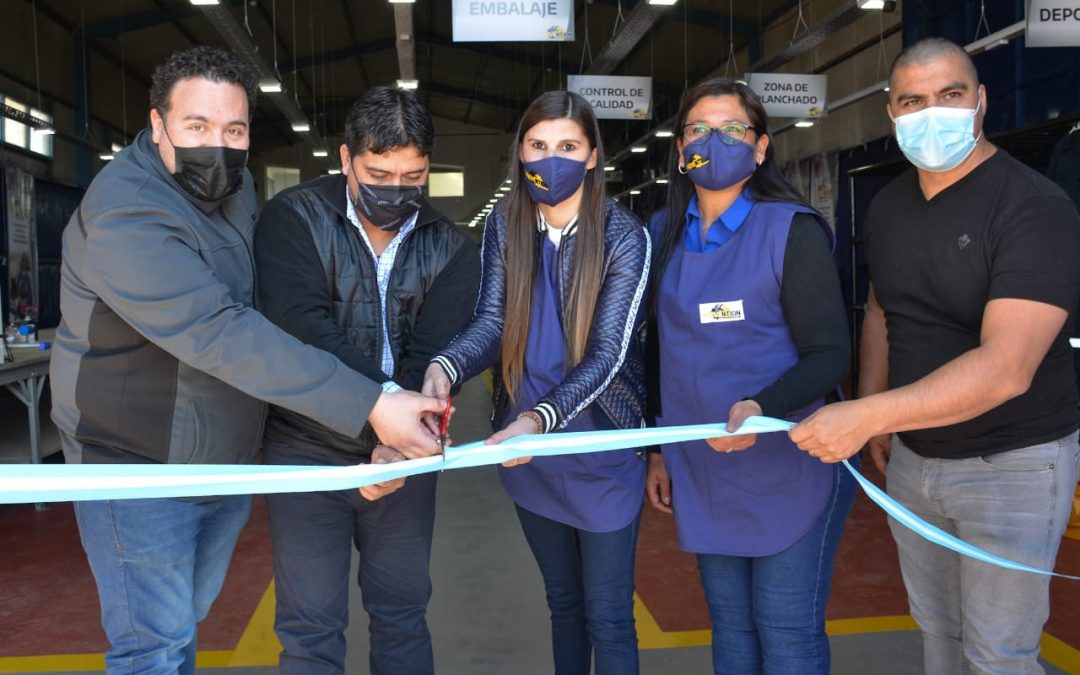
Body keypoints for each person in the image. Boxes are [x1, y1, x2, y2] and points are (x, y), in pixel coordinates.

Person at [49, 47, 444, 675]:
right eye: (197, 126)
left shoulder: (231, 189)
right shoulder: (126, 212)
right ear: (158, 125)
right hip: (137, 463)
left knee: (181, 627)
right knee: (150, 644)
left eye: (233, 130)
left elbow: (273, 304)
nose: (219, 144)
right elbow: (220, 331)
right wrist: (371, 403)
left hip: (220, 456)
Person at [789, 37, 1080, 674]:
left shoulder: (1033, 208)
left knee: (998, 651)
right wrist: (875, 411)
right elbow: (885, 311)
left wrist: (870, 417)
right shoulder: (890, 205)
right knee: (940, 634)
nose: (932, 112)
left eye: (950, 95)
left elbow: (1006, 367)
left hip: (1012, 464)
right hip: (916, 462)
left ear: (980, 101)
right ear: (892, 114)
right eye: (913, 100)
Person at [252, 86, 481, 675]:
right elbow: (304, 330)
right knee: (310, 627)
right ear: (345, 158)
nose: (396, 190)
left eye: (414, 176)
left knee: (402, 614)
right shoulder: (292, 218)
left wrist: (397, 443)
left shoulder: (452, 248)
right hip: (306, 452)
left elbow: (429, 353)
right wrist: (381, 408)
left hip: (404, 456)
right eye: (379, 173)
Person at [423, 90, 650, 675]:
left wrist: (535, 419)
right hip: (529, 457)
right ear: (520, 153)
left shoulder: (626, 236)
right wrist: (445, 367)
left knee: (609, 614)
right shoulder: (507, 223)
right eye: (539, 146)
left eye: (568, 147)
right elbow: (494, 321)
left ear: (594, 156)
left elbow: (607, 355)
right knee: (564, 603)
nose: (552, 160)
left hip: (598, 449)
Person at [644, 77, 853, 674]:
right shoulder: (663, 235)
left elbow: (830, 354)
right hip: (704, 464)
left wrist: (762, 407)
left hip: (791, 462)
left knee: (786, 632)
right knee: (731, 628)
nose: (715, 140)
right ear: (681, 148)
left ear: (761, 148)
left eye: (734, 129)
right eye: (699, 129)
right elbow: (655, 348)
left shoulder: (791, 230)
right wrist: (659, 446)